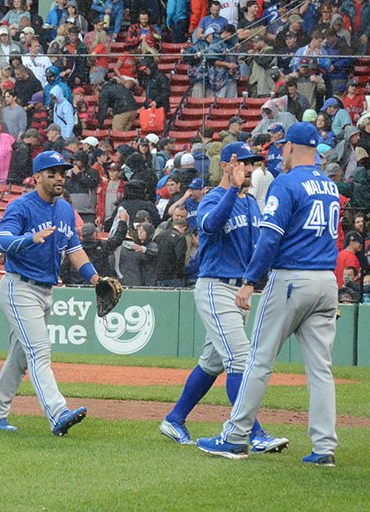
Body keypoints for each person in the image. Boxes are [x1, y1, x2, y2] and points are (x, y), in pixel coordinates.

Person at [198, 123, 340, 467]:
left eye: (282, 146)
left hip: (292, 278)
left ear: (290, 146)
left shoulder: (287, 183)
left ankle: (233, 438)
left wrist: (249, 280)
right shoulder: (330, 186)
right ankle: (324, 448)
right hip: (326, 280)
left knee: (257, 361)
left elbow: (271, 238)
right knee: (321, 369)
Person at [161, 142, 288, 452]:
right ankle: (253, 433)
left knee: (211, 363)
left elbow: (262, 247)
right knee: (240, 360)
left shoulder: (253, 203)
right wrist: (230, 190)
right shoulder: (214, 197)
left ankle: (174, 418)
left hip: (240, 291)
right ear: (229, 166)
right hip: (216, 287)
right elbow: (208, 225)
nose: (251, 168)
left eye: (253, 164)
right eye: (244, 163)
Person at [0, 151, 100, 435]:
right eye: (52, 173)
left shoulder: (63, 209)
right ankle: (57, 413)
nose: (59, 177)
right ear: (36, 177)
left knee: (20, 358)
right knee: (39, 351)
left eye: (62, 172)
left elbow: (73, 248)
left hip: (46, 290)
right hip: (19, 287)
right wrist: (28, 238)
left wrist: (95, 278)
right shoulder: (21, 206)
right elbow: (1, 240)